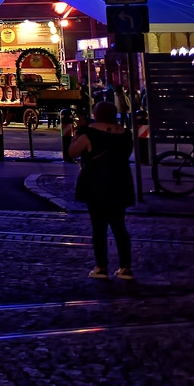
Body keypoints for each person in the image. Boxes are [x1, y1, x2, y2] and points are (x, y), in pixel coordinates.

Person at [69, 101, 136, 280]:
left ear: (96, 114)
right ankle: (125, 268)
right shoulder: (125, 134)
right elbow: (126, 153)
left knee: (99, 228)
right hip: (120, 184)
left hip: (96, 185)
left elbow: (73, 152)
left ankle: (101, 267)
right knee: (119, 226)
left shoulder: (90, 133)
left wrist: (78, 132)